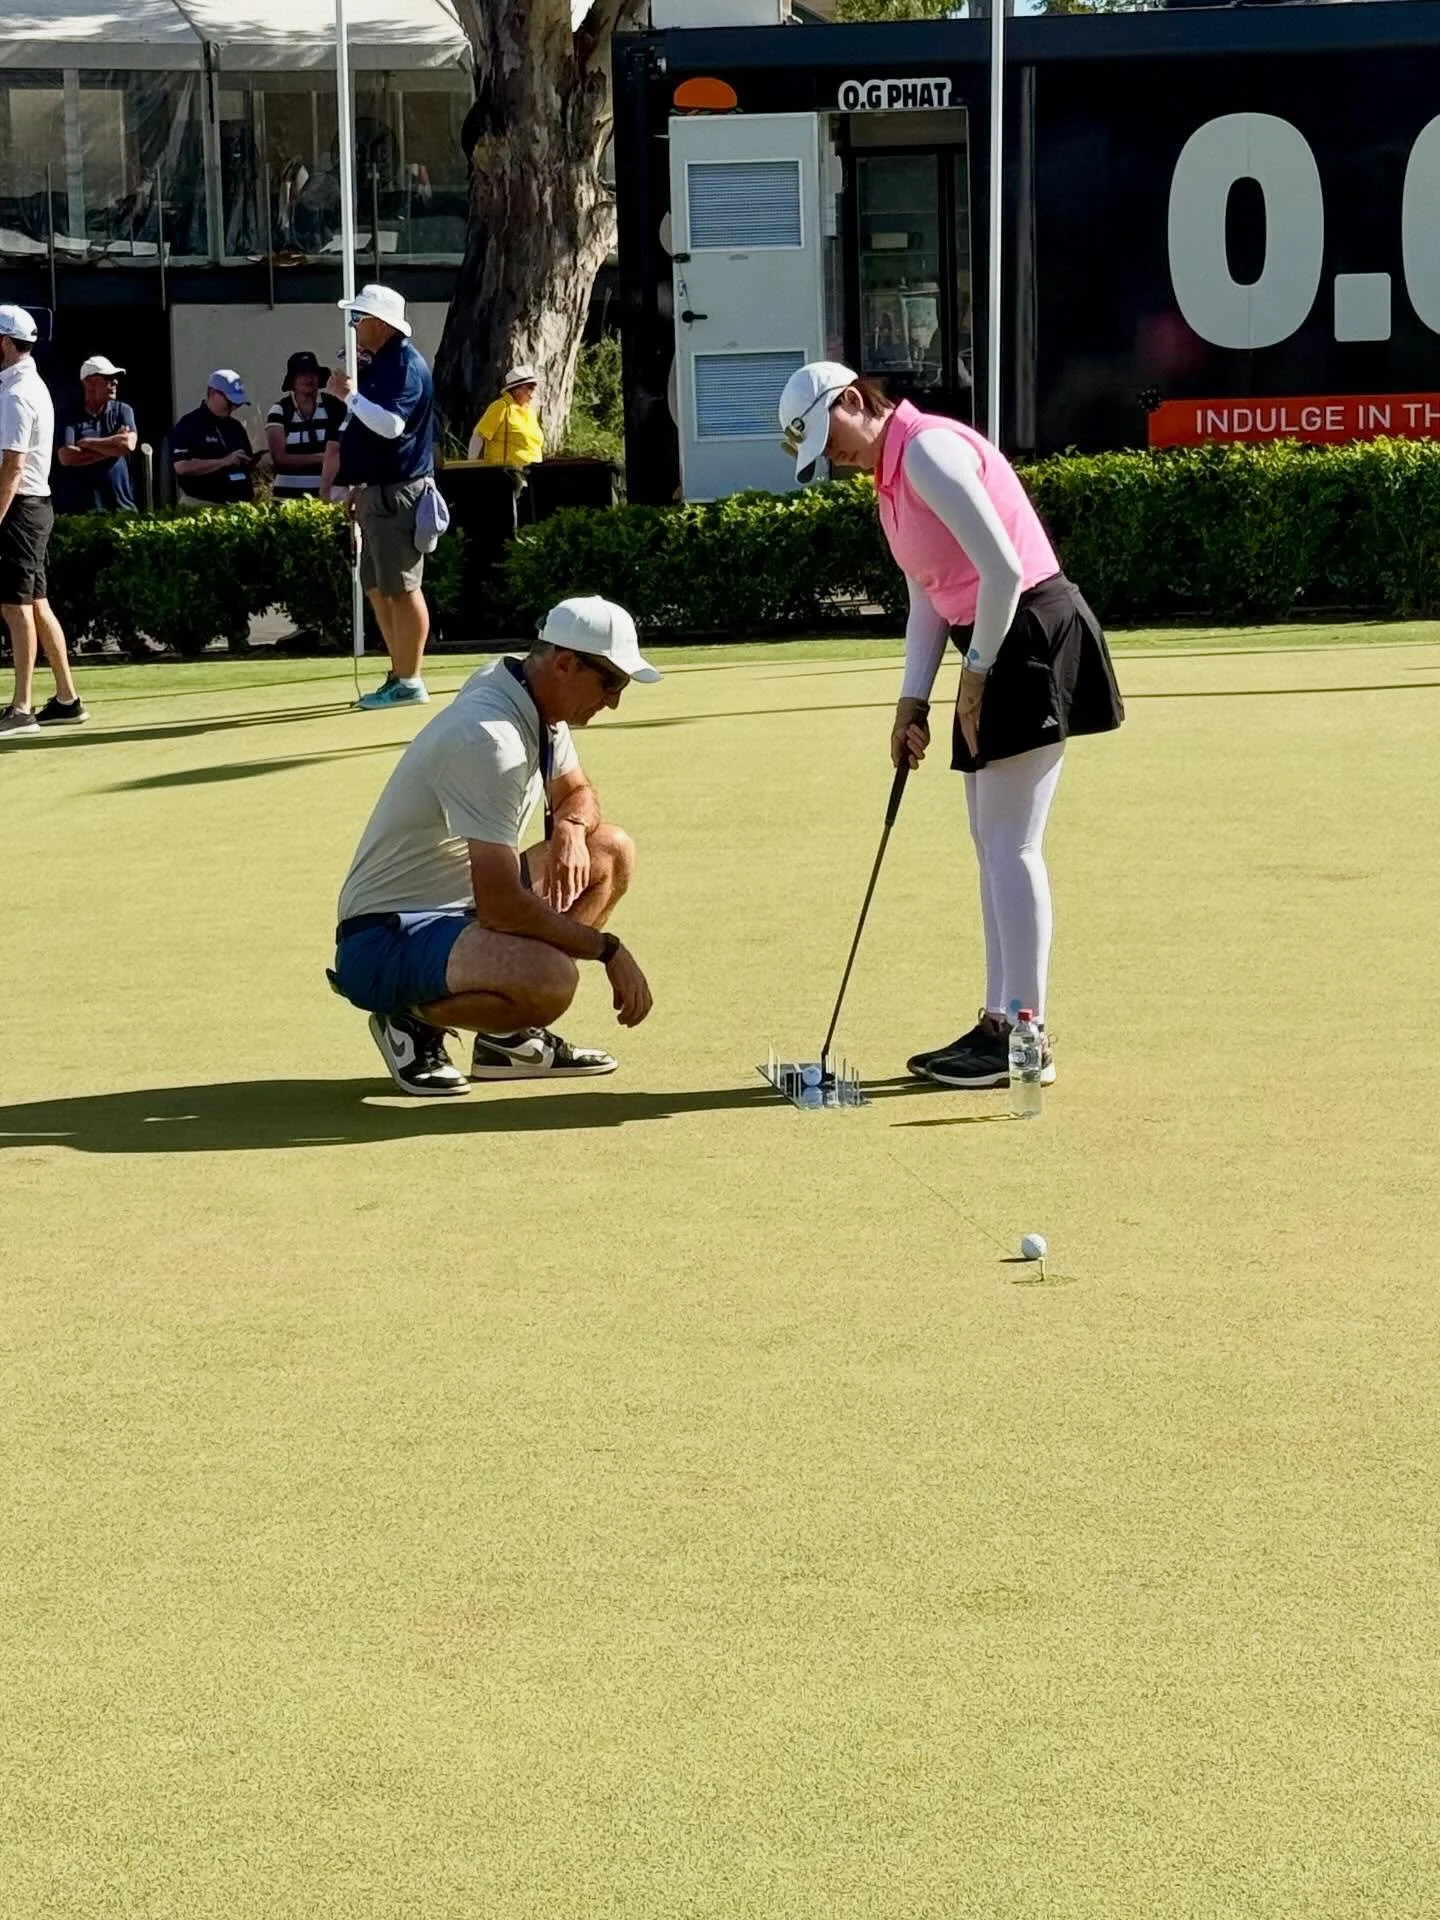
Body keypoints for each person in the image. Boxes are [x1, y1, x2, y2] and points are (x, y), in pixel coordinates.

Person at [779, 360, 1124, 1090]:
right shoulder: (889, 485)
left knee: (1012, 845)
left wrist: (975, 674)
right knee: (989, 842)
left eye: (829, 437)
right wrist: (913, 701)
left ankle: (1026, 1038)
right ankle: (998, 1020)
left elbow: (1000, 569)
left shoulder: (929, 450)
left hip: (1028, 633)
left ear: (850, 400)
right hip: (994, 640)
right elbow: (930, 597)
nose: (831, 458)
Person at [329, 595, 657, 1096]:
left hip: (457, 910)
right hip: (387, 935)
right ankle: (410, 1022)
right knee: (551, 979)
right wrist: (608, 951)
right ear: (566, 663)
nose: (614, 699)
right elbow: (501, 905)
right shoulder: (491, 738)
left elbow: (578, 793)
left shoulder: (532, 695)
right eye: (611, 682)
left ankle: (504, 1038)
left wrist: (570, 827)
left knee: (608, 852)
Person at [322, 283, 436, 710]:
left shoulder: (404, 365)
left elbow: (391, 426)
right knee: (376, 585)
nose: (354, 326)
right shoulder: (386, 363)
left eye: (358, 318)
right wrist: (358, 485)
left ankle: (410, 679)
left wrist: (347, 394)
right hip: (377, 490)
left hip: (398, 492)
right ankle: (400, 671)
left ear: (379, 323)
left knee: (403, 588)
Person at [0, 304, 87, 738]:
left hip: (19, 506)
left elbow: (12, 466)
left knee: (14, 606)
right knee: (35, 603)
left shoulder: (16, 392)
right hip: (33, 506)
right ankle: (67, 699)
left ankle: (21, 709)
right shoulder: (27, 383)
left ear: (3, 343)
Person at [55, 355, 138, 514]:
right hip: (81, 513)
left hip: (121, 509)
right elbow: (67, 457)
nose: (115, 382)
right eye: (107, 377)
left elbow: (128, 444)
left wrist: (87, 443)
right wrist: (114, 448)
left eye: (115, 378)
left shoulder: (123, 410)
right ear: (88, 382)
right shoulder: (68, 416)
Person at [266, 351, 345, 502]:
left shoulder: (334, 406)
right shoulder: (280, 409)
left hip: (325, 499)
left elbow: (343, 449)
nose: (309, 378)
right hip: (286, 500)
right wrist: (323, 458)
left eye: (313, 373)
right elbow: (279, 458)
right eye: (302, 374)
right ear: (293, 380)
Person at [170, 371, 256, 506]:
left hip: (238, 505)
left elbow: (248, 461)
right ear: (213, 393)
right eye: (230, 402)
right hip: (202, 505)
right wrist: (225, 461)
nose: (233, 408)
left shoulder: (236, 427)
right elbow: (182, 466)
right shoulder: (190, 424)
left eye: (238, 404)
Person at [467, 366, 544, 468]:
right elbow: (478, 436)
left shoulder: (530, 412)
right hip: (507, 473)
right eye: (530, 387)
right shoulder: (501, 407)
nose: (533, 391)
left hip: (532, 471)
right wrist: (470, 467)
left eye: (535, 386)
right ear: (515, 389)